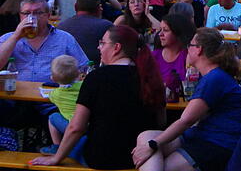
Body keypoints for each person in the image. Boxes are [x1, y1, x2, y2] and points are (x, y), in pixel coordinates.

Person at [30, 25, 165, 169]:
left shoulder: (95, 78)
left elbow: (76, 127)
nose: (99, 48)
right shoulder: (151, 78)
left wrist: (56, 158)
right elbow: (161, 122)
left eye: (103, 43)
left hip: (102, 158)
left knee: (75, 142)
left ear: (117, 47)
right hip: (142, 157)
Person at [133, 28, 241, 171]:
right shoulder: (212, 76)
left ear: (199, 50)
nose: (187, 49)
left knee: (158, 162)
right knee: (146, 137)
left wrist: (153, 144)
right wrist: (151, 144)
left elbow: (186, 121)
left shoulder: (214, 79)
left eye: (190, 45)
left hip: (216, 144)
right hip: (199, 136)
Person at [0, 0, 88, 84]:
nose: (32, 17)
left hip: (52, 94)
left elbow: (84, 68)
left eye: (38, 13)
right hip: (15, 93)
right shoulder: (8, 38)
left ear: (48, 16)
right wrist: (15, 37)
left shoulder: (64, 38)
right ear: (20, 16)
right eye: (26, 13)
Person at [57, 0, 113, 65]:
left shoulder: (61, 26)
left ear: (75, 7)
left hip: (66, 72)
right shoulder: (107, 27)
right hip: (96, 72)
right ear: (99, 8)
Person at [42, 55, 83, 155]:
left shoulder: (56, 94)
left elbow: (50, 97)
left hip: (70, 126)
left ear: (52, 78)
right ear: (78, 73)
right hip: (86, 124)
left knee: (52, 117)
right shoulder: (84, 86)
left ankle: (57, 146)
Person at [152, 14, 196, 88]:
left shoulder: (188, 55)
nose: (160, 34)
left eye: (165, 30)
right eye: (160, 30)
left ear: (178, 32)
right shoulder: (153, 56)